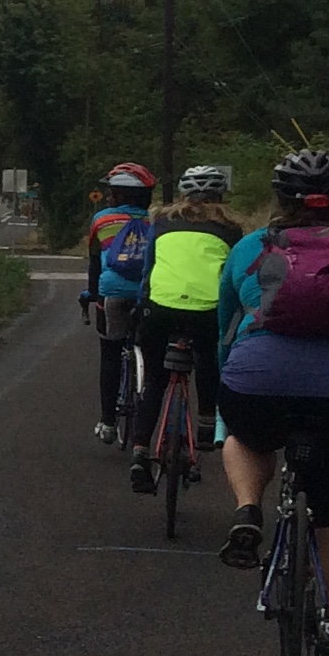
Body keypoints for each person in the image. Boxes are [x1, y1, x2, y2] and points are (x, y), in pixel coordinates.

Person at [215, 147, 329, 656]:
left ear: (280, 198)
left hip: (259, 383)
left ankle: (248, 508)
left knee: (246, 436)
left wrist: (231, 380)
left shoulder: (249, 248)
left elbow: (226, 328)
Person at [128, 166, 241, 493]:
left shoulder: (161, 223)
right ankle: (207, 423)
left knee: (155, 378)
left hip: (159, 308)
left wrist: (141, 307)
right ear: (220, 196)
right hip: (207, 310)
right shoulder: (231, 229)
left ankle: (140, 451)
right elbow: (234, 279)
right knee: (208, 357)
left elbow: (148, 271)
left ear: (183, 194)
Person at [82, 161, 159, 444]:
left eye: (112, 191)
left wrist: (92, 294)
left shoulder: (102, 220)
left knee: (110, 354)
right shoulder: (157, 221)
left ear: (121, 194)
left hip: (112, 293)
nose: (107, 196)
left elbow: (94, 262)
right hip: (149, 294)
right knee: (152, 356)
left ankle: (108, 422)